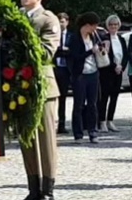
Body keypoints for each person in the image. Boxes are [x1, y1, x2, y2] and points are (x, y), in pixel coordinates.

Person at [9, 0, 61, 200]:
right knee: (26, 141)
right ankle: (33, 191)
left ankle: (48, 193)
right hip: (20, 88)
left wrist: (20, 41)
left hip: (43, 88)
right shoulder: (15, 17)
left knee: (45, 142)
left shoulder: (48, 20)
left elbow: (45, 53)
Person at [68, 12, 102, 143]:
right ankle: (78, 133)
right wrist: (90, 51)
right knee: (79, 104)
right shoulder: (75, 38)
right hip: (80, 74)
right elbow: (75, 57)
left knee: (93, 104)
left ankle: (93, 132)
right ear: (87, 25)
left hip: (93, 73)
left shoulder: (93, 36)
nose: (95, 29)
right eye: (93, 26)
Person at [97, 14, 127, 133]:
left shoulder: (121, 39)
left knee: (114, 97)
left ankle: (110, 120)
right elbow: (105, 55)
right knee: (104, 97)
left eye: (115, 24)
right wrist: (115, 66)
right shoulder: (104, 38)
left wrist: (122, 66)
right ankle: (102, 121)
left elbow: (125, 54)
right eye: (111, 24)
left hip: (118, 72)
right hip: (107, 71)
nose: (113, 26)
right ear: (107, 26)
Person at [54, 12, 72, 134]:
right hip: (55, 68)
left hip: (66, 70)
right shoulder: (53, 36)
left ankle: (62, 124)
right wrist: (61, 50)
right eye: (59, 21)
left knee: (63, 98)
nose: (61, 23)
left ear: (67, 22)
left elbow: (72, 52)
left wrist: (63, 51)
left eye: (63, 21)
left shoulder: (71, 36)